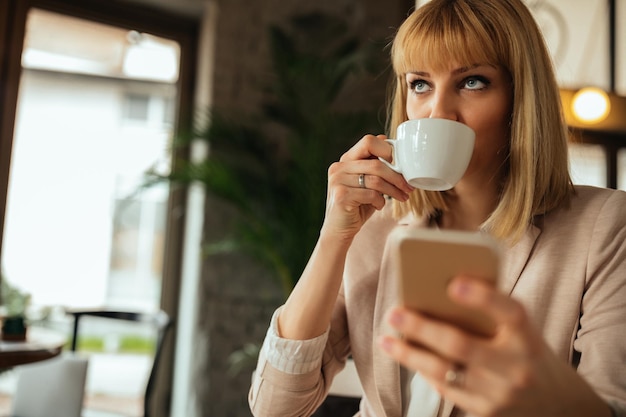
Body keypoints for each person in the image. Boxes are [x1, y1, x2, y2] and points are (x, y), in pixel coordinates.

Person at [248, 0, 626, 416]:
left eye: (473, 82)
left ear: (520, 99)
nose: (437, 112)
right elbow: (275, 407)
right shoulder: (374, 228)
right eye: (420, 84)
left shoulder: (604, 227)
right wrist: (332, 238)